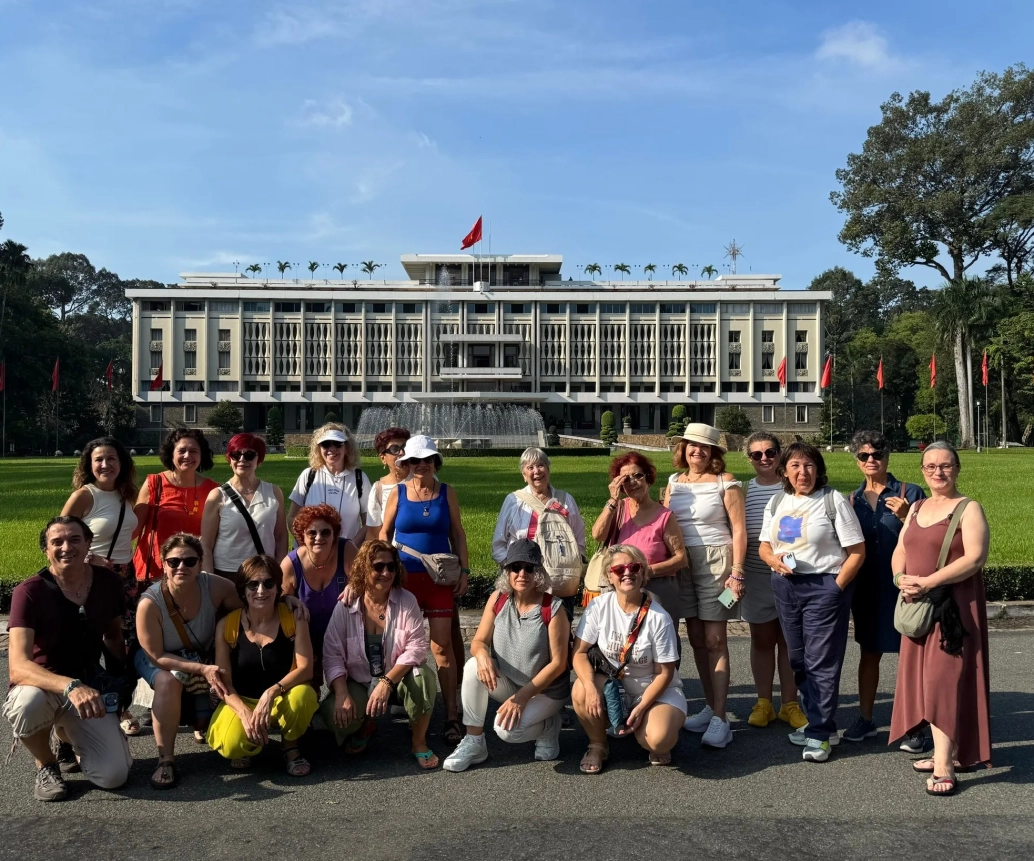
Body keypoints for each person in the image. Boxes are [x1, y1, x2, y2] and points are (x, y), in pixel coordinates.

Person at [4, 516, 132, 801]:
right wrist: (71, 686)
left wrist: (120, 684)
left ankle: (65, 735)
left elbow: (113, 635)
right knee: (28, 704)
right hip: (42, 686)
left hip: (89, 686)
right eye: (57, 542)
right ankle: (46, 765)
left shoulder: (108, 582)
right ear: (46, 550)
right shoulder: (29, 592)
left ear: (88, 543)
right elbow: (18, 667)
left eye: (75, 539)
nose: (66, 547)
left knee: (113, 776)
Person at [889, 442, 991, 796]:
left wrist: (929, 582)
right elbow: (901, 549)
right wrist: (900, 580)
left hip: (952, 612)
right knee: (925, 682)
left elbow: (976, 557)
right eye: (930, 466)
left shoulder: (968, 508)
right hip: (918, 608)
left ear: (957, 468)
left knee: (942, 682)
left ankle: (946, 765)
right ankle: (942, 751)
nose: (938, 472)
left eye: (945, 466)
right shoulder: (916, 506)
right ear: (922, 471)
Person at [759, 442, 866, 763]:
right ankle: (823, 724)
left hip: (825, 586)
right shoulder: (778, 501)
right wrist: (774, 562)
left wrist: (835, 589)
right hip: (786, 586)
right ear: (784, 471)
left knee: (821, 662)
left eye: (808, 466)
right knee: (799, 661)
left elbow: (857, 552)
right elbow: (765, 545)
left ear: (818, 469)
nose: (801, 472)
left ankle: (818, 735)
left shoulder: (832, 501)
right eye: (794, 466)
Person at [444, 540, 571, 772]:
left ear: (539, 572)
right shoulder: (498, 598)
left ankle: (548, 725)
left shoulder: (553, 609)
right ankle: (474, 742)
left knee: (507, 731)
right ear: (507, 571)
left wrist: (521, 698)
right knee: (473, 666)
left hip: (546, 692)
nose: (522, 574)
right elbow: (479, 641)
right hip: (511, 684)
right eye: (516, 567)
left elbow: (559, 664)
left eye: (529, 568)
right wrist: (482, 654)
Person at [135, 533, 247, 789]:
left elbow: (252, 605)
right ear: (163, 563)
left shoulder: (214, 586)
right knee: (167, 682)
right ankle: (166, 759)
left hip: (199, 655)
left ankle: (233, 736)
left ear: (200, 563)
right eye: (174, 562)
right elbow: (157, 656)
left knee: (233, 658)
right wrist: (202, 669)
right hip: (159, 657)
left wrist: (289, 602)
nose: (181, 567)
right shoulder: (150, 603)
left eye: (189, 561)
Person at [380, 434, 470, 745]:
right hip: (404, 580)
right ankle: (411, 706)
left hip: (439, 580)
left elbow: (458, 533)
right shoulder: (398, 493)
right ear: (405, 463)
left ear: (435, 462)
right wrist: (380, 570)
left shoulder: (447, 492)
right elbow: (384, 532)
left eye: (428, 459)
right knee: (402, 645)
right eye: (415, 460)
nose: (422, 465)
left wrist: (465, 570)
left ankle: (452, 714)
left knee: (441, 648)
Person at [320, 540, 439, 768]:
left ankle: (419, 742)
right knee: (333, 715)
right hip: (361, 680)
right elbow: (332, 654)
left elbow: (416, 648)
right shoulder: (346, 605)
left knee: (423, 678)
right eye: (377, 567)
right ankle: (366, 724)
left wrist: (386, 682)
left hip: (397, 678)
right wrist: (343, 693)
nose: (385, 573)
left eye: (391, 567)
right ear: (364, 568)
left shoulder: (407, 601)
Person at [663, 423, 746, 749]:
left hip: (717, 562)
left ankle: (721, 717)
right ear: (682, 449)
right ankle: (712, 706)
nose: (696, 450)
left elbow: (739, 530)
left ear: (713, 452)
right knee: (696, 638)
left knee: (715, 639)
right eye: (691, 445)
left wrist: (737, 572)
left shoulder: (726, 483)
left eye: (703, 446)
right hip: (683, 563)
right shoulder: (673, 482)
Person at [844, 430, 927, 750]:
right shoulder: (851, 500)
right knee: (869, 653)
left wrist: (908, 516)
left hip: (905, 586)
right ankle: (866, 719)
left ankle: (916, 724)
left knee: (911, 656)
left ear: (887, 456)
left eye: (876, 455)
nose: (870, 460)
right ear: (856, 460)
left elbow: (928, 536)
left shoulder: (910, 492)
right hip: (866, 588)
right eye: (864, 456)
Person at [571, 545, 686, 773]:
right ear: (609, 576)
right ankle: (598, 744)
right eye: (619, 568)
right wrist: (591, 688)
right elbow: (580, 653)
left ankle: (649, 728)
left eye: (634, 567)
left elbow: (665, 672)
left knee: (658, 741)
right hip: (613, 686)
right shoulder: (598, 607)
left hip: (653, 689)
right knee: (581, 690)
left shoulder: (658, 618)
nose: (627, 572)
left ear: (643, 573)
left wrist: (642, 706)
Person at [207, 556, 319, 776]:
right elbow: (224, 684)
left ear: (278, 588)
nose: (261, 590)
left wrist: (270, 693)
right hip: (243, 699)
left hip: (282, 695)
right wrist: (244, 714)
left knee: (303, 697)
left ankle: (290, 745)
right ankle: (252, 740)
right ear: (242, 589)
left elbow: (306, 669)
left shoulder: (294, 618)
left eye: (268, 583)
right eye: (253, 584)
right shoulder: (227, 625)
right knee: (231, 745)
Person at [62, 437, 142, 735]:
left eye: (112, 459)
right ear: (89, 464)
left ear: (122, 464)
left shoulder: (126, 494)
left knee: (122, 642)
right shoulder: (86, 495)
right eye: (99, 459)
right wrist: (90, 558)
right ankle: (88, 706)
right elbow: (58, 536)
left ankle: (118, 703)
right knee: (94, 640)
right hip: (93, 575)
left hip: (125, 575)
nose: (105, 464)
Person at [740, 433, 805, 730]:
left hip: (792, 575)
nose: (764, 458)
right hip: (756, 576)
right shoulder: (744, 490)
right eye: (757, 455)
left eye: (770, 452)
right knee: (762, 641)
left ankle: (790, 703)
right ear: (749, 459)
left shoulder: (793, 487)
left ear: (780, 453)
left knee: (790, 642)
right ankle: (763, 701)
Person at [492, 446, 586, 619]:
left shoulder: (565, 500)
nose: (537, 471)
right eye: (530, 467)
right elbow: (499, 543)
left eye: (541, 465)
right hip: (523, 582)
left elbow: (579, 538)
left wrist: (571, 564)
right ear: (523, 474)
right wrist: (516, 569)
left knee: (560, 634)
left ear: (548, 469)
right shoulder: (514, 501)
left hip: (559, 581)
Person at [590, 451, 686, 617]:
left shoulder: (664, 516)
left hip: (656, 590)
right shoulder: (618, 509)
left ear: (648, 478)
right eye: (625, 479)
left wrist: (645, 571)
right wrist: (613, 500)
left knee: (659, 639)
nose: (633, 482)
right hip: (621, 590)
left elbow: (681, 559)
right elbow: (598, 535)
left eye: (638, 476)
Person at [281, 503, 357, 687]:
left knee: (348, 700)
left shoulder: (347, 550)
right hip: (307, 639)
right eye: (312, 533)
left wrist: (355, 585)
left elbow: (368, 580)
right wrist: (287, 598)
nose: (318, 538)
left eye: (325, 532)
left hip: (344, 636)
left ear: (335, 534)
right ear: (302, 536)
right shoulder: (291, 563)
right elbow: (275, 598)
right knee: (307, 697)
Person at [133, 429, 219, 584]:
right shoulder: (154, 483)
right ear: (171, 454)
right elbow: (133, 529)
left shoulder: (214, 490)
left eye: (193, 451)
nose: (187, 456)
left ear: (202, 455)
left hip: (194, 571)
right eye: (182, 451)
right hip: (155, 571)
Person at [200, 432, 287, 578]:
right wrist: (209, 580)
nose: (242, 460)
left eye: (249, 455)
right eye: (236, 455)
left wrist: (279, 571)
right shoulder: (218, 495)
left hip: (264, 574)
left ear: (259, 459)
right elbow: (206, 545)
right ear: (229, 458)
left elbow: (281, 536)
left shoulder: (273, 492)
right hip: (227, 573)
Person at [287, 423, 370, 543]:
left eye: (338, 443)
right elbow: (291, 517)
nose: (332, 449)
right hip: (312, 553)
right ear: (319, 448)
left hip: (347, 556)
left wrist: (350, 548)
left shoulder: (360, 478)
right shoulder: (309, 475)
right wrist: (305, 544)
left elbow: (369, 522)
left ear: (347, 448)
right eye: (326, 444)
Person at [365, 426, 412, 540]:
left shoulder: (424, 480)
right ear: (383, 458)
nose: (401, 453)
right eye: (394, 449)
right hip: (392, 554)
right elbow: (373, 534)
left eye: (405, 447)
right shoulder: (378, 489)